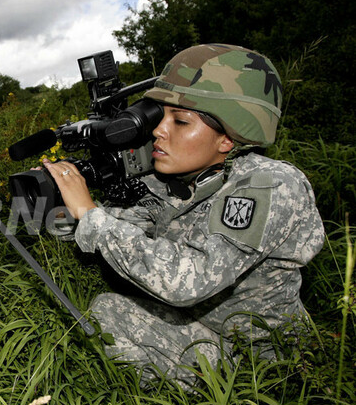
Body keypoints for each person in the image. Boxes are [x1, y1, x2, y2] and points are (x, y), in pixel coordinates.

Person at [44, 44, 325, 387]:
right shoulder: (178, 180)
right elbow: (125, 223)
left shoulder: (270, 185)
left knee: (108, 313)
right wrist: (61, 208)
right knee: (108, 310)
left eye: (179, 121)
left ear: (227, 138)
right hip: (207, 327)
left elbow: (189, 281)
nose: (159, 131)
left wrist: (90, 215)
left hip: (266, 359)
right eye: (159, 118)